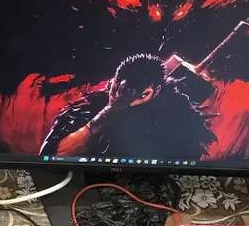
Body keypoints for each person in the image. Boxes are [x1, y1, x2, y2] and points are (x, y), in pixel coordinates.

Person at [40, 53, 214, 162]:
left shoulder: (177, 115)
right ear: (114, 82)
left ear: (156, 91)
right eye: (120, 90)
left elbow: (183, 160)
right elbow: (54, 156)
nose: (127, 100)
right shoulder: (90, 106)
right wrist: (110, 110)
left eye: (141, 95)